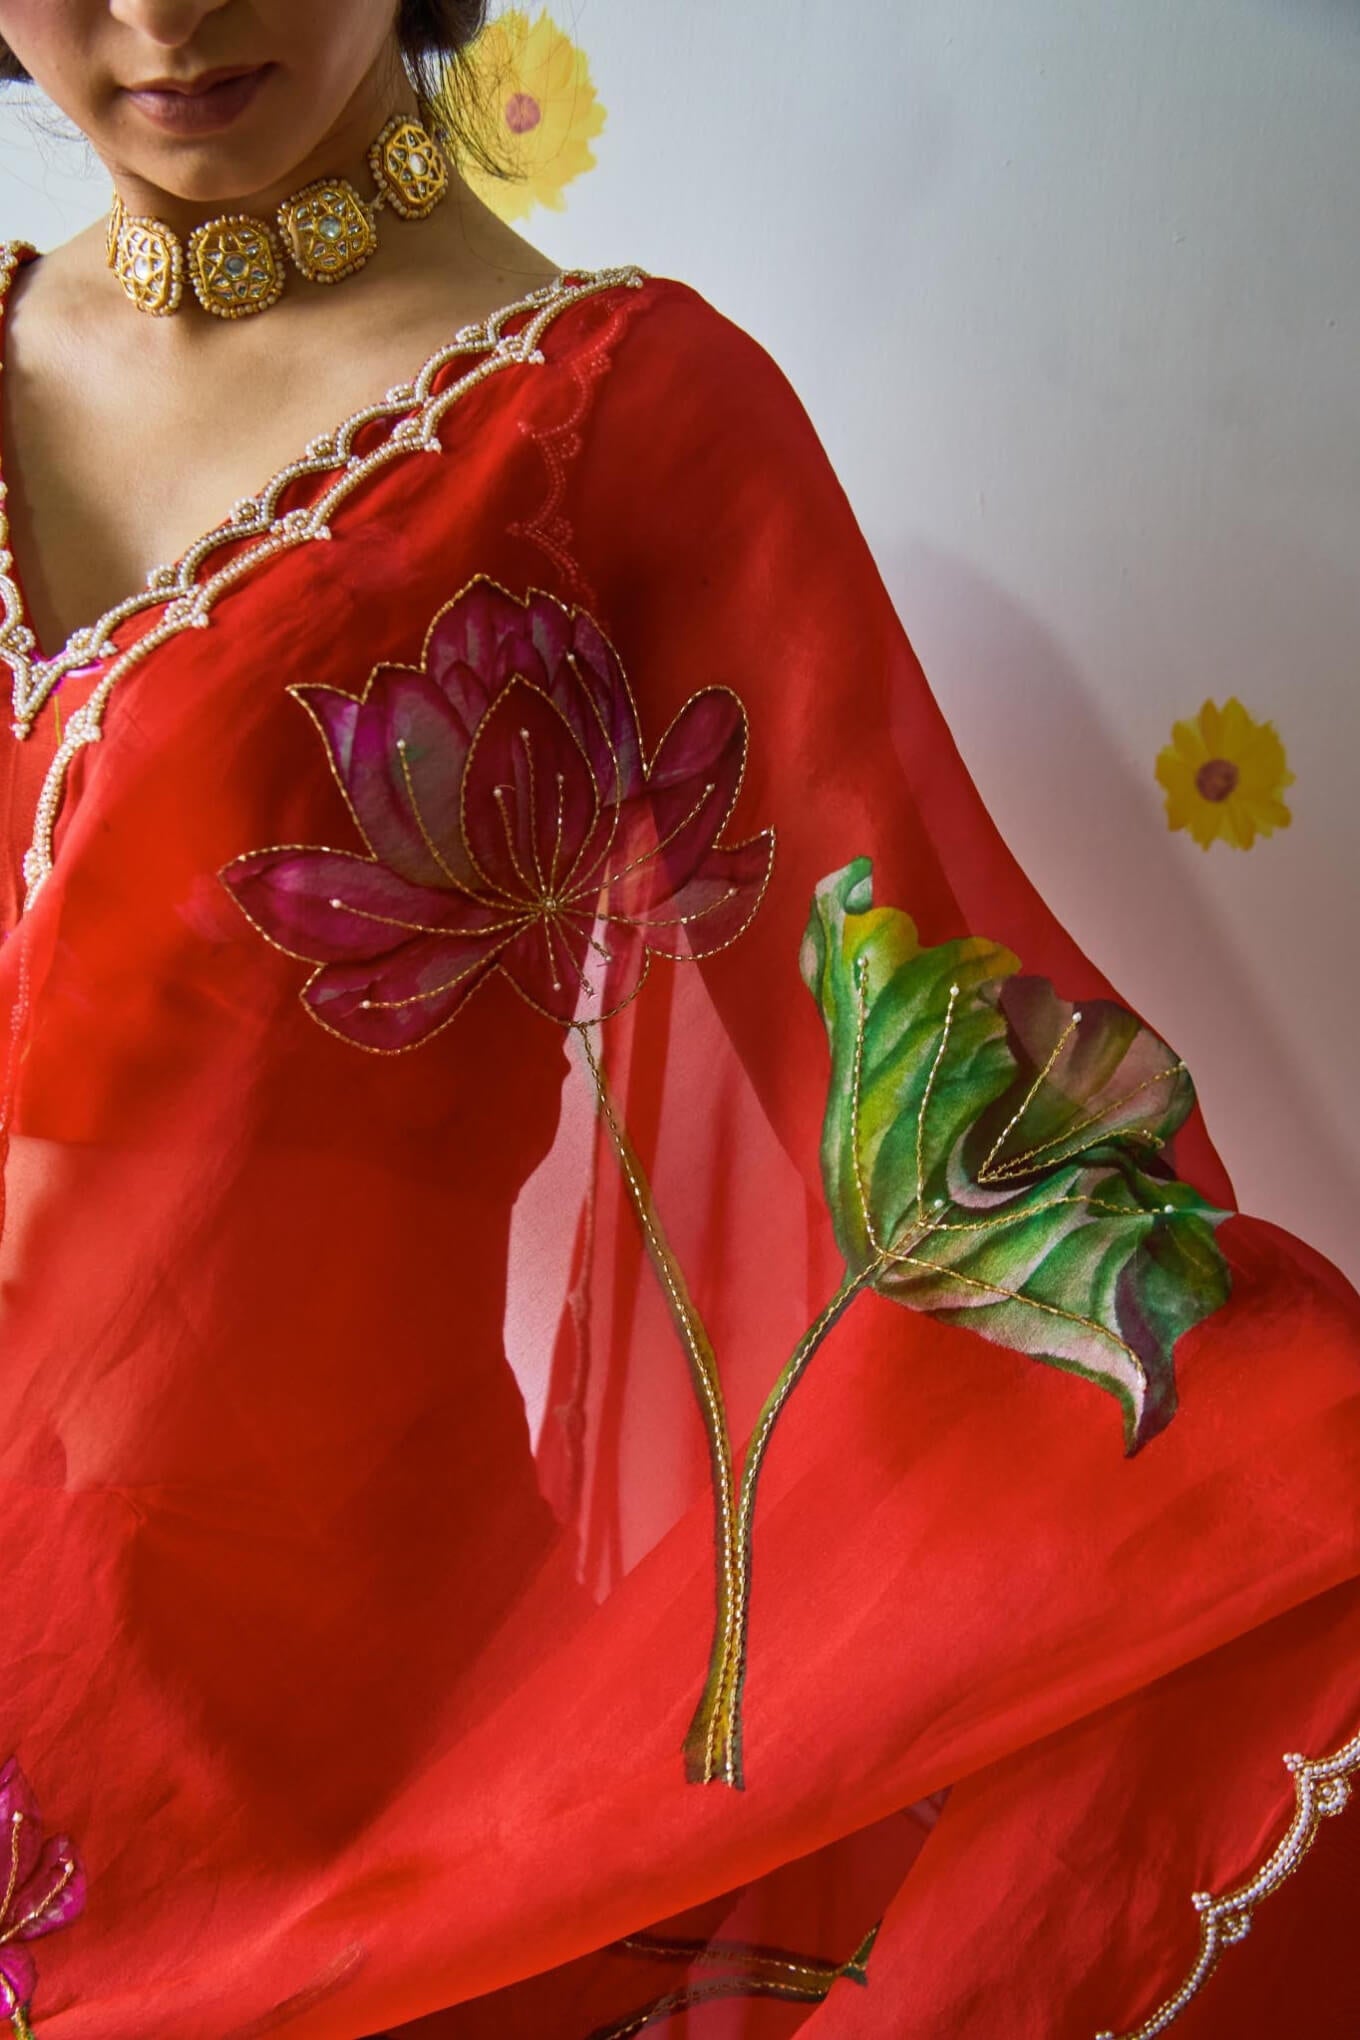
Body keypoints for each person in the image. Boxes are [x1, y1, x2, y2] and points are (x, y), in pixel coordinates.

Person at [0, 4, 1353, 2036]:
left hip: (334, 1782)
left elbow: (907, 1033)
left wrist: (1267, 1435)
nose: (165, 10)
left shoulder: (607, 418)